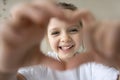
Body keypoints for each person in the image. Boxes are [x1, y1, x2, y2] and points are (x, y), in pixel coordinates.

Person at [0, 0, 120, 80]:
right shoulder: (39, 65)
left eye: (73, 30)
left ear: (83, 32)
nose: (65, 38)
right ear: (47, 37)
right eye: (56, 32)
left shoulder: (93, 64)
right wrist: (6, 70)